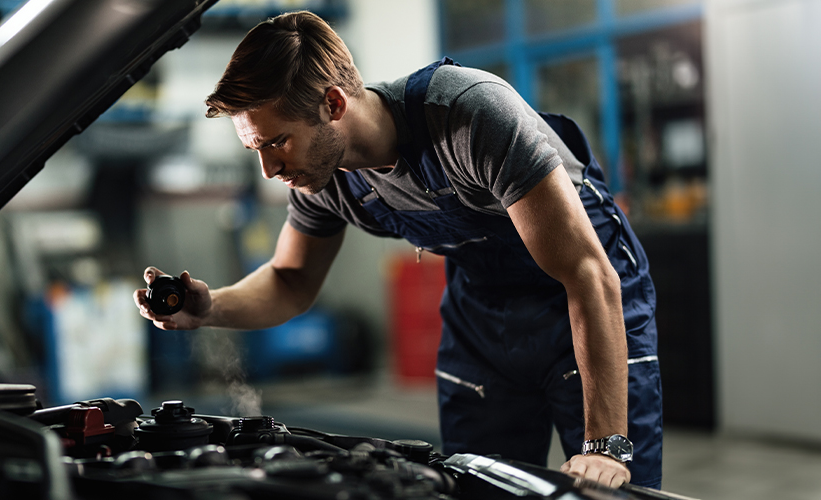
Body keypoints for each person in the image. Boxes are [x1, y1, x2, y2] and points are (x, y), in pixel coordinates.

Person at [133, 11, 662, 489]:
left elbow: (587, 274)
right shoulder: (327, 179)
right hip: (483, 318)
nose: (270, 170)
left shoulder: (470, 117)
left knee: (605, 489)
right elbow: (291, 280)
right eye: (256, 148)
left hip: (587, 305)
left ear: (333, 104)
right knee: (473, 487)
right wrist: (210, 309)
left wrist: (606, 446)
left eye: (277, 142)